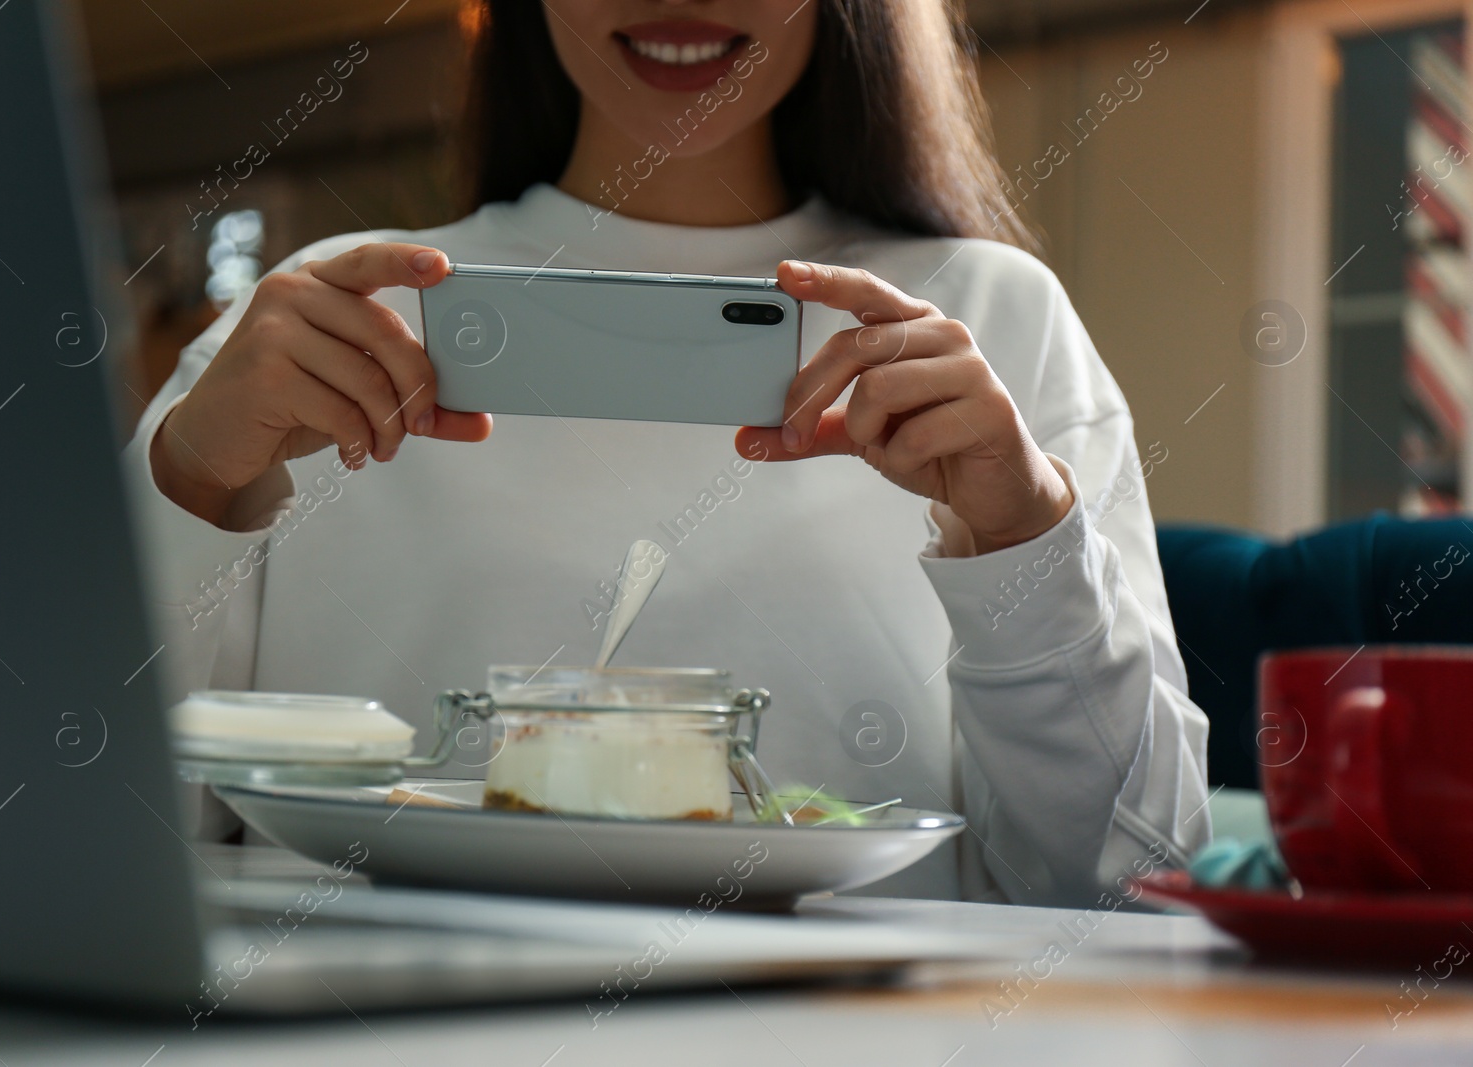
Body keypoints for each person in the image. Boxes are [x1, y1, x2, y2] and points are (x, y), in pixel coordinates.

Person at [128, 0, 1209, 906]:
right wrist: (188, 482)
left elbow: (1132, 879)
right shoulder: (325, 323)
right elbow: (66, 827)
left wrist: (1022, 532)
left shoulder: (990, 318)